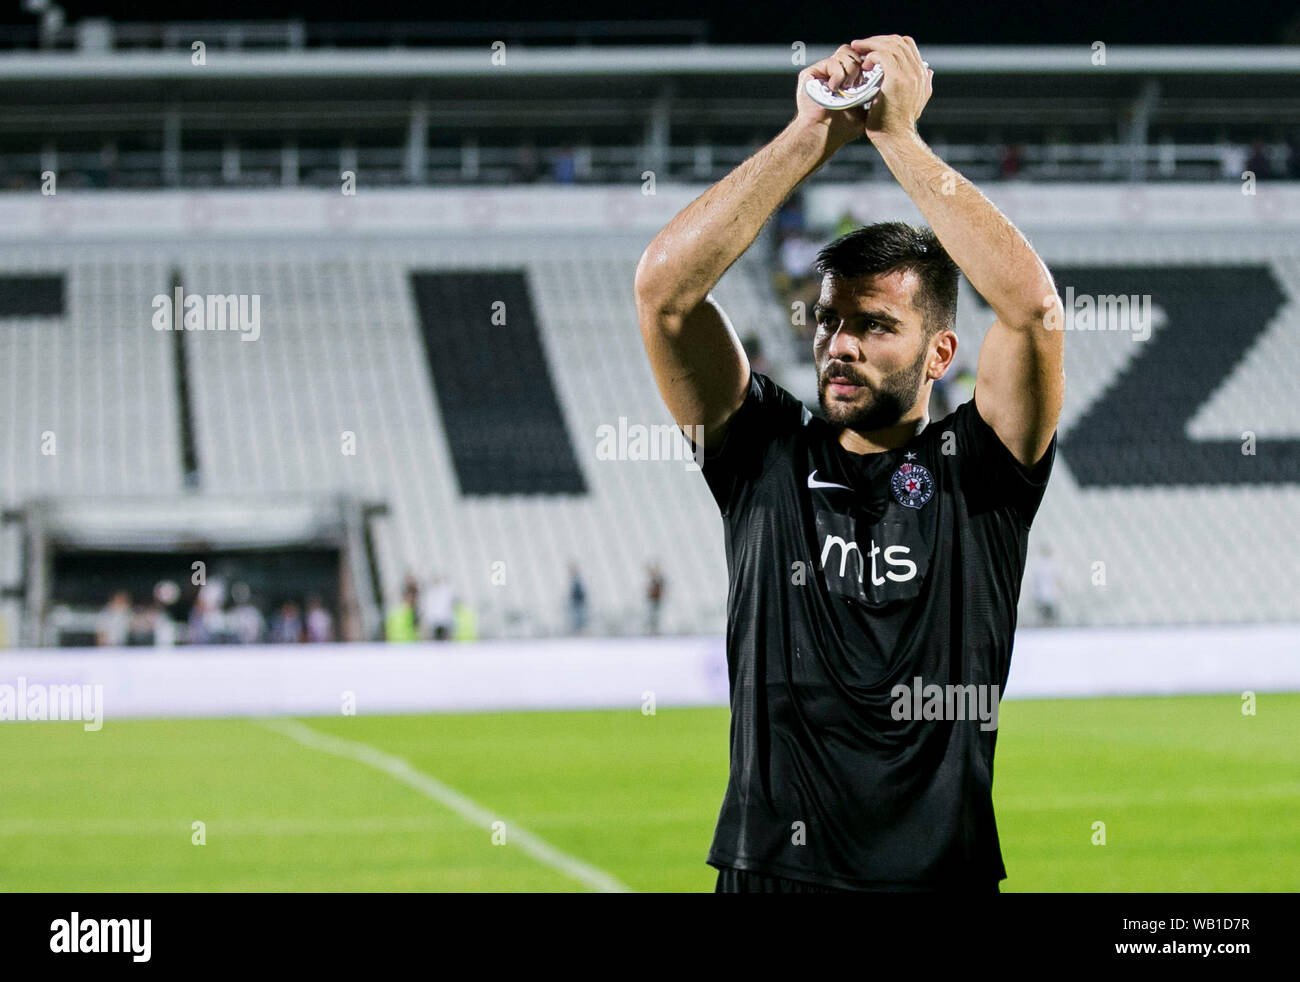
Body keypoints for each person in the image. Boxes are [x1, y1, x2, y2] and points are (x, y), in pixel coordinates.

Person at [635, 35, 1063, 893]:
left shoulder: (980, 472)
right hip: (770, 877)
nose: (840, 345)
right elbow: (664, 293)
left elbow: (1033, 312)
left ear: (941, 351)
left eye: (874, 326)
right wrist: (815, 132)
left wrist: (898, 138)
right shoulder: (765, 453)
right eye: (830, 322)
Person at [567, 563, 587, 635]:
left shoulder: (578, 581)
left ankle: (580, 632)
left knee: (579, 620)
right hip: (576, 604)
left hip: (578, 604)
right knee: (577, 620)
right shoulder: (575, 581)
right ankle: (578, 632)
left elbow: (581, 593)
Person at [645, 563, 666, 635]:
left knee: (654, 616)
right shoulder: (653, 581)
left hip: (656, 601)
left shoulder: (658, 580)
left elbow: (659, 589)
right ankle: (652, 630)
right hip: (653, 601)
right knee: (652, 616)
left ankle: (654, 631)